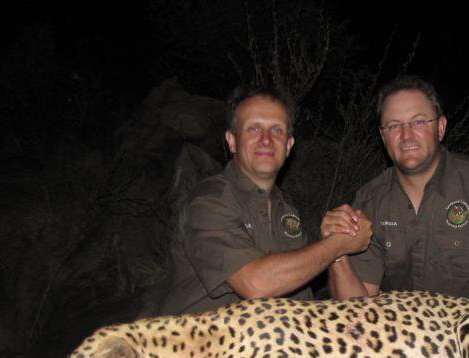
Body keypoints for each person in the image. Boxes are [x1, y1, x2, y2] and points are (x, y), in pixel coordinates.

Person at [324, 76, 469, 307]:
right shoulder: (370, 202)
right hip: (397, 336)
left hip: (465, 337)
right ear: (383, 136)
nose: (406, 136)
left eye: (418, 122)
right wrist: (336, 250)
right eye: (394, 125)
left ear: (441, 127)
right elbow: (357, 310)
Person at [158, 85, 371, 315]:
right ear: (231, 141)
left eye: (277, 130)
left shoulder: (287, 212)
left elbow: (342, 307)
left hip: (266, 345)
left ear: (289, 146)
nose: (266, 140)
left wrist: (340, 246)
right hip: (200, 345)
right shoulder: (208, 201)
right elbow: (255, 284)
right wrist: (336, 244)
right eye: (254, 129)